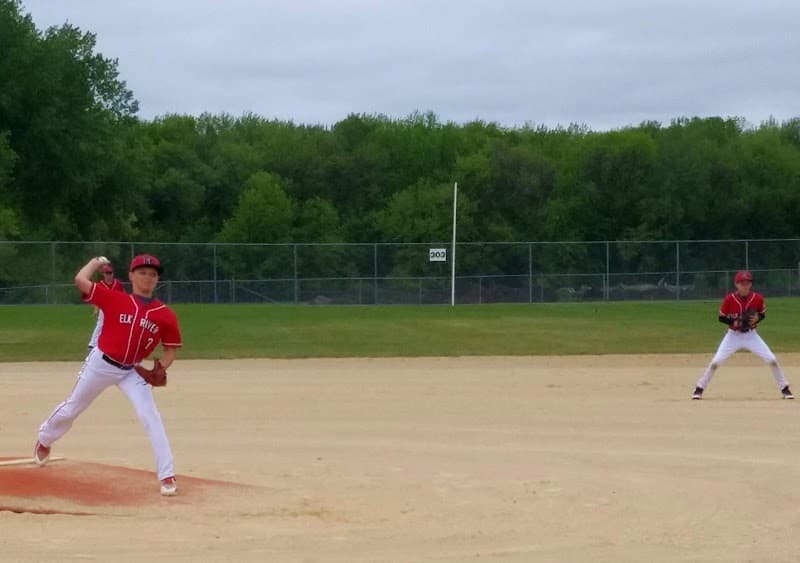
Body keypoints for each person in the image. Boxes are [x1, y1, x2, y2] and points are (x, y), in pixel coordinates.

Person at [35, 254, 183, 496]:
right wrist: (95, 263)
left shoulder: (164, 314)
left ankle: (167, 474)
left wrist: (161, 368)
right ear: (131, 276)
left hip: (132, 370)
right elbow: (81, 280)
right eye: (143, 272)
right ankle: (44, 439)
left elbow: (170, 350)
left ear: (157, 280)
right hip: (101, 364)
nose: (148, 277)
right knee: (73, 407)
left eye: (153, 274)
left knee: (151, 416)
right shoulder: (115, 299)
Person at [692, 270, 792, 400]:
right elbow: (721, 318)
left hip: (751, 336)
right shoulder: (729, 299)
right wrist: (735, 321)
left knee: (772, 359)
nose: (745, 285)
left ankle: (785, 388)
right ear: (736, 284)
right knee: (716, 362)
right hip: (733, 336)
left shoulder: (757, 298)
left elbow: (762, 314)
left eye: (747, 282)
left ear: (750, 284)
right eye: (742, 283)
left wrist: (758, 319)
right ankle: (699, 388)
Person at [87, 262, 125, 350]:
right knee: (100, 324)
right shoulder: (100, 285)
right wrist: (96, 309)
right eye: (107, 273)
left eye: (110, 273)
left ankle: (118, 342)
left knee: (119, 325)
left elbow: (123, 295)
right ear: (104, 274)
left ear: (113, 274)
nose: (109, 275)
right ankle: (92, 344)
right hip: (104, 308)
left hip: (116, 309)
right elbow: (96, 298)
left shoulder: (118, 283)